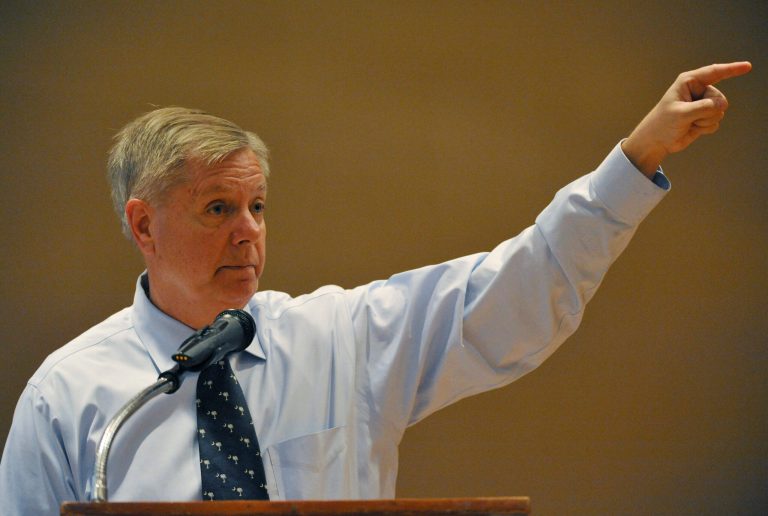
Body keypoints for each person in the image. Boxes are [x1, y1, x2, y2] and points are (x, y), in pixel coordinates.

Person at [0, 62, 752, 514]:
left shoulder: (339, 338)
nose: (249, 232)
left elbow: (516, 290)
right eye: (219, 209)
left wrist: (636, 156)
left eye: (257, 206)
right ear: (143, 225)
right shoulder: (70, 395)